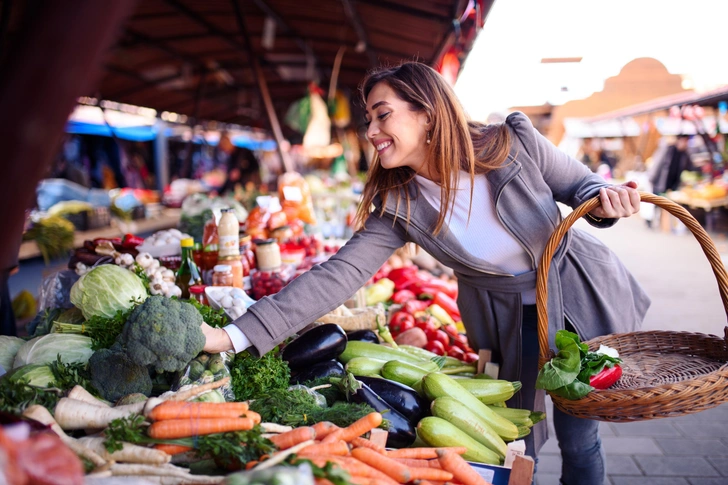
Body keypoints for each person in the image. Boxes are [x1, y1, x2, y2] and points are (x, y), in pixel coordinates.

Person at [201, 62, 649, 485]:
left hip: (576, 297)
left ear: (428, 114)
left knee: (580, 433)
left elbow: (584, 185)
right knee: (513, 439)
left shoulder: (514, 143)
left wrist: (609, 199)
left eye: (383, 115)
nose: (370, 131)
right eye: (369, 119)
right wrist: (233, 336)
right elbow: (336, 276)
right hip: (506, 320)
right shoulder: (400, 206)